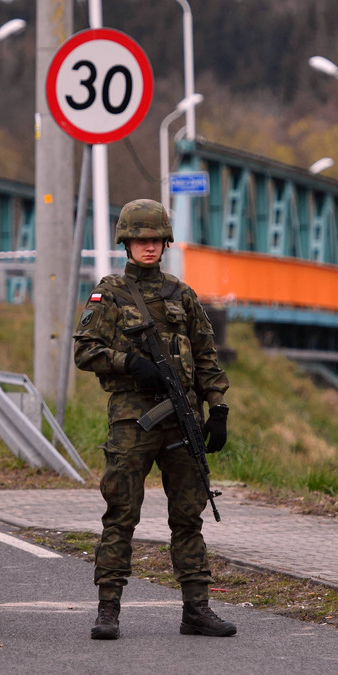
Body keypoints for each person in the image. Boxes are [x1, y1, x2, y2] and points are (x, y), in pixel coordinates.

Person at [73, 198, 235, 640]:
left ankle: (196, 608)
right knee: (121, 512)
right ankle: (108, 609)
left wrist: (217, 407)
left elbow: (206, 356)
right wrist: (128, 363)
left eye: (156, 240)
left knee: (189, 515)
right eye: (140, 239)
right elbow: (84, 350)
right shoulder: (108, 293)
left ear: (165, 243)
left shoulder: (181, 294)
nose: (149, 247)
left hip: (181, 420)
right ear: (126, 243)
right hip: (132, 420)